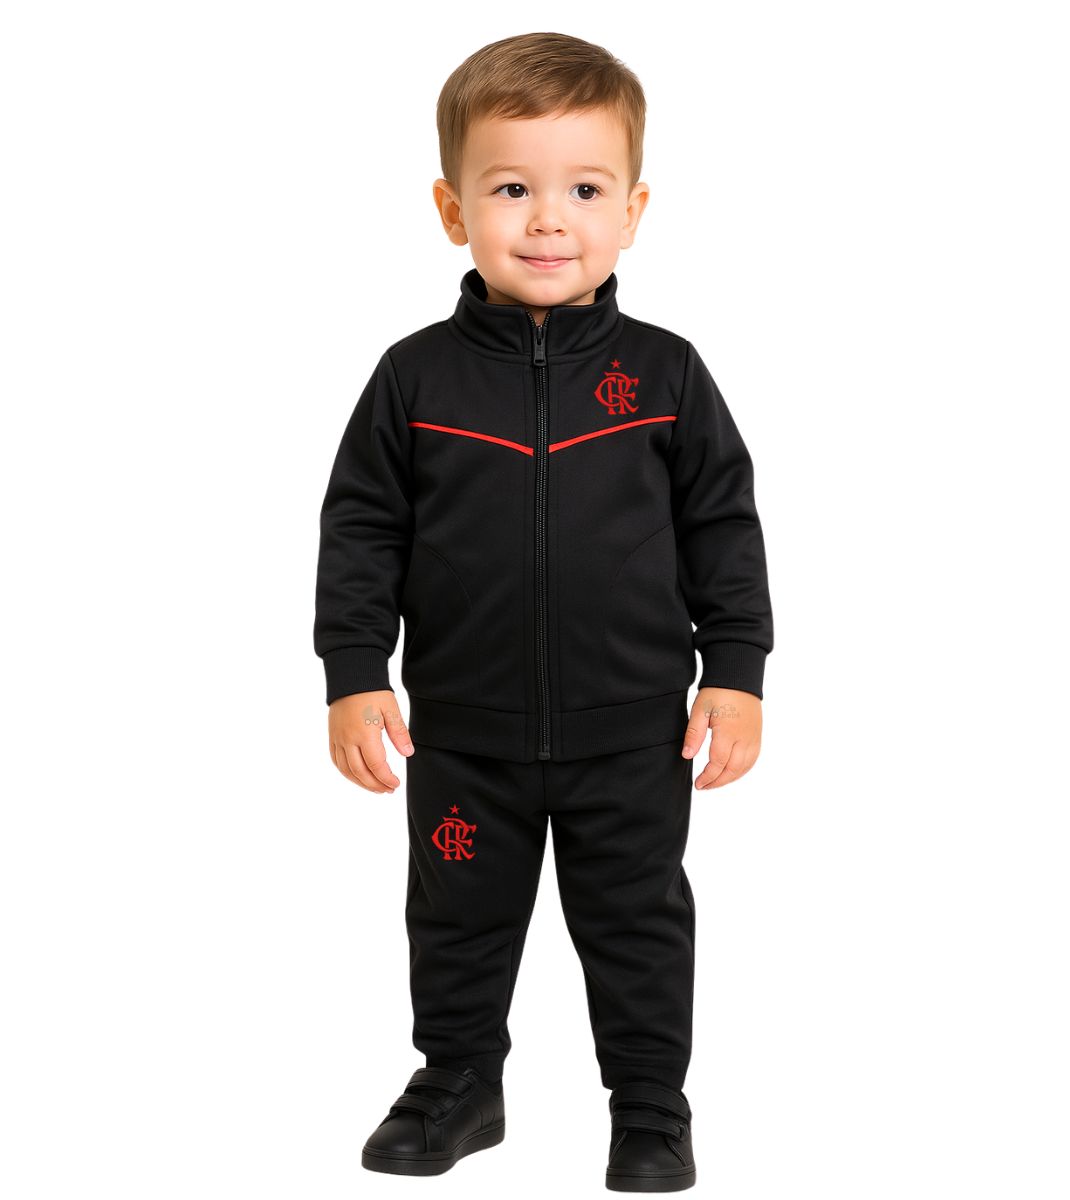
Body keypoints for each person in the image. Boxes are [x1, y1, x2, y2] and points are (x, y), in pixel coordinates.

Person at [313, 31, 773, 1192]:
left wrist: (736, 670)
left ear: (634, 211)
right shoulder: (414, 379)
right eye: (512, 189)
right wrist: (355, 671)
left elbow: (723, 525)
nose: (548, 220)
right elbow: (362, 529)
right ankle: (459, 1080)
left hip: (632, 735)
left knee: (637, 925)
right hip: (466, 738)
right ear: (452, 209)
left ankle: (651, 1108)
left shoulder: (664, 376)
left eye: (585, 190)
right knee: (456, 918)